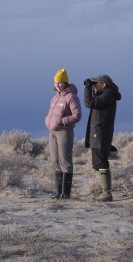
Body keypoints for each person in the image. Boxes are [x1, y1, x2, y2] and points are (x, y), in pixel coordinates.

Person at [44, 68, 82, 199]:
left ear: (65, 82)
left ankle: (66, 194)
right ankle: (58, 193)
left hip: (64, 132)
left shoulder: (71, 97)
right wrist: (48, 120)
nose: (57, 84)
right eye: (55, 82)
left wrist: (63, 121)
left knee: (65, 161)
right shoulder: (54, 98)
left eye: (60, 82)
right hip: (52, 132)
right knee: (55, 160)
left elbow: (77, 115)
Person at [83, 74, 121, 202]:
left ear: (103, 84)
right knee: (97, 164)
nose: (94, 86)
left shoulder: (108, 95)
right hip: (97, 134)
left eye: (96, 83)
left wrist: (87, 87)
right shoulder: (105, 94)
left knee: (101, 162)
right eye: (93, 84)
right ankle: (104, 192)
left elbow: (89, 103)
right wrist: (93, 88)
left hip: (101, 134)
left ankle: (106, 193)